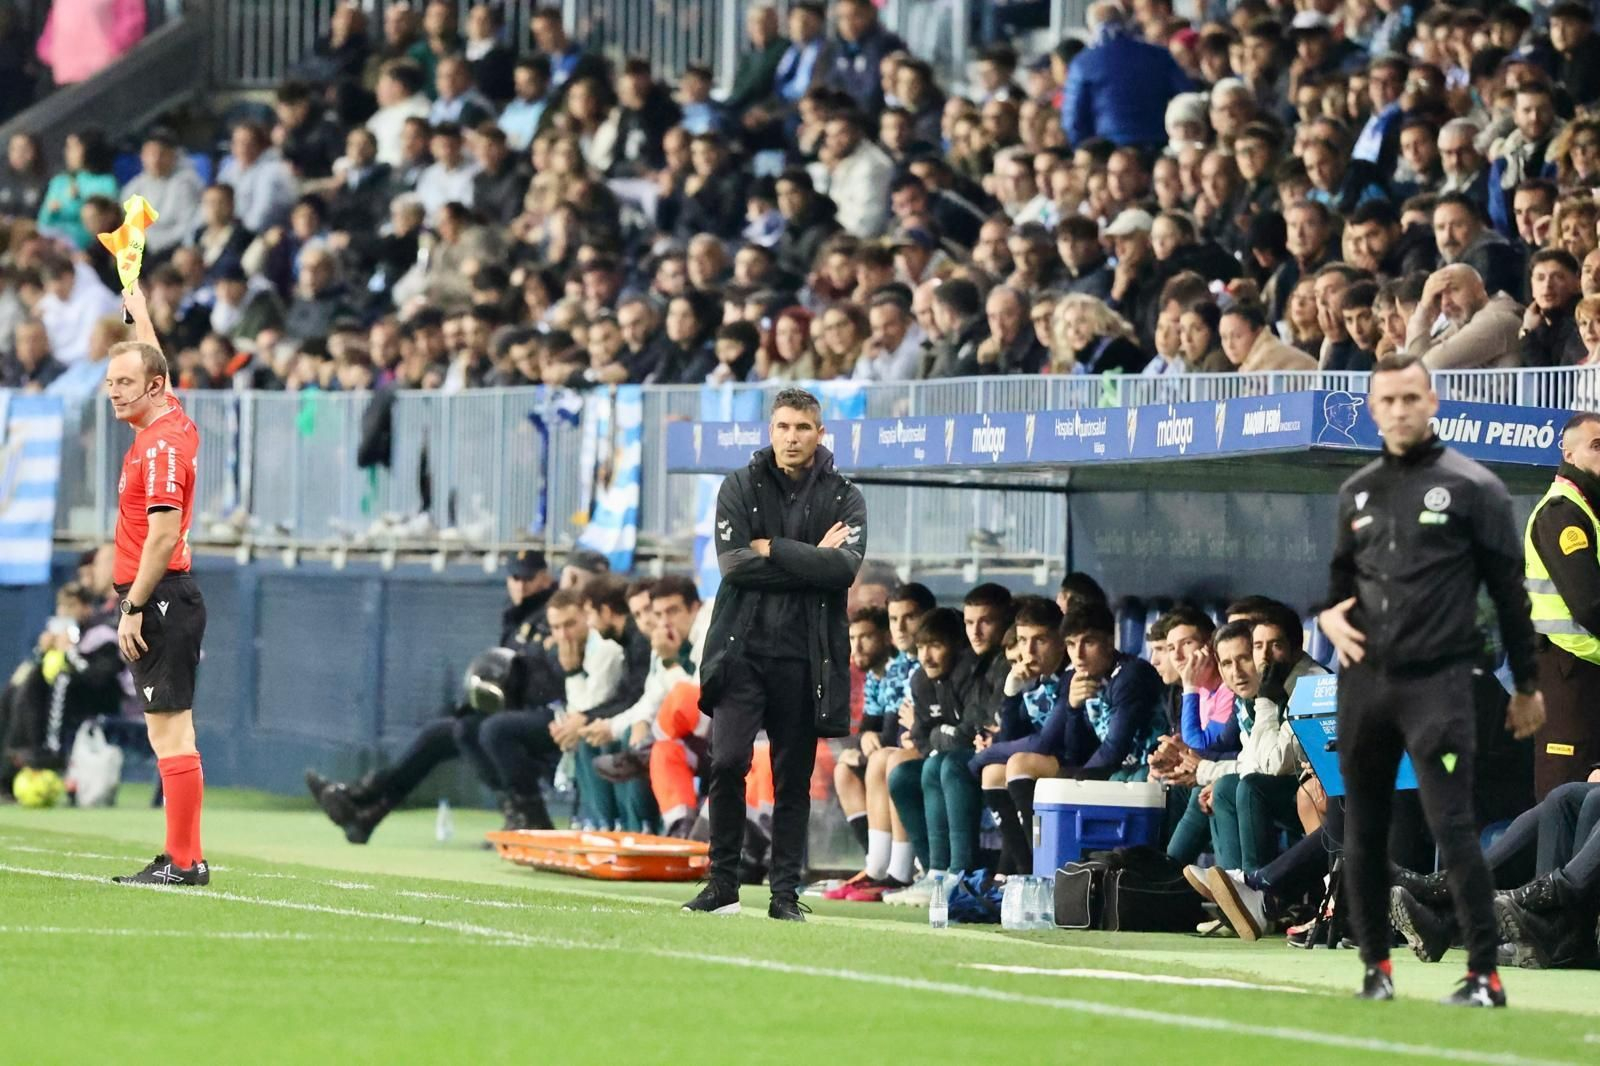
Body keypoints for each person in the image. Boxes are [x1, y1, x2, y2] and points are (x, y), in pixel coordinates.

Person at [1318, 354, 1545, 1006]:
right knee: (1362, 831)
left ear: (1433, 401)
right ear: (1371, 408)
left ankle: (1483, 974)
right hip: (1364, 686)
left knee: (1452, 824)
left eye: (1410, 398)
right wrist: (1331, 619)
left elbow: (1510, 595)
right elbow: (1336, 592)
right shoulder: (1355, 491)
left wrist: (1528, 686)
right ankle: (1375, 971)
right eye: (1386, 400)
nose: (1398, 410)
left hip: (1440, 685)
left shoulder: (1475, 488)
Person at [682, 387, 867, 921]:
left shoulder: (844, 496)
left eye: (803, 428)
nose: (792, 437)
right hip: (743, 652)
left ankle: (784, 895)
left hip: (809, 658)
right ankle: (723, 882)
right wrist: (812, 558)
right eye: (784, 426)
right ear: (770, 431)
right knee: (727, 762)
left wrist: (774, 548)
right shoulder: (739, 485)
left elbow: (844, 570)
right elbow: (734, 564)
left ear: (820, 433)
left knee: (793, 780)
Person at [102, 283, 209, 887]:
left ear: (153, 386)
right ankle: (185, 857)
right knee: (171, 730)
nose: (115, 392)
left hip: (160, 593)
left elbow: (163, 538)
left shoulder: (161, 445)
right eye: (111, 382)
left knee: (170, 732)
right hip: (166, 593)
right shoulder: (170, 419)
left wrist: (134, 606)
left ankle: (183, 862)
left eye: (125, 383)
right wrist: (136, 300)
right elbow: (154, 359)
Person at [1524, 413, 1600, 799]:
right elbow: (1590, 603)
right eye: (1596, 446)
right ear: (1568, 453)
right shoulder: (1562, 512)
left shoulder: (1589, 510)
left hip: (1585, 673)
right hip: (1567, 673)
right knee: (1565, 799)